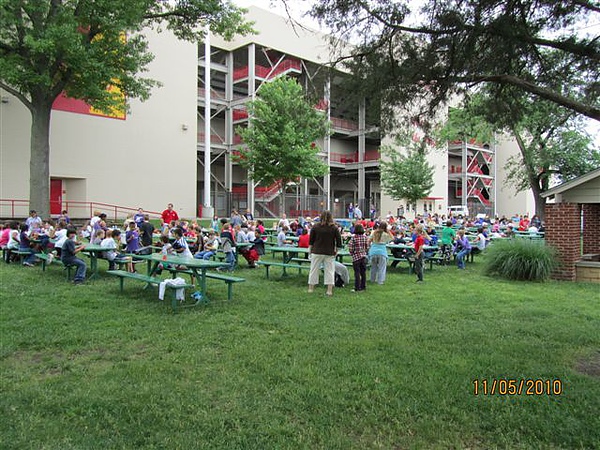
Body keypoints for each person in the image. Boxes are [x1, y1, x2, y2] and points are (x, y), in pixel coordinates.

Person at [308, 210, 342, 296]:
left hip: (316, 251)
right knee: (330, 271)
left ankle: (311, 288)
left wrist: (310, 251)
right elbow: (339, 241)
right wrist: (336, 251)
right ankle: (329, 290)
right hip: (329, 252)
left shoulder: (315, 227)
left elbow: (311, 241)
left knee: (314, 270)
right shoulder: (334, 228)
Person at [348, 223, 369, 292]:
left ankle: (357, 287)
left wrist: (352, 253)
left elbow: (350, 248)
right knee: (363, 272)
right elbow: (367, 247)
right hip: (363, 256)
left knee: (357, 273)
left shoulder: (353, 238)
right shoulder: (365, 237)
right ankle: (363, 286)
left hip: (356, 257)